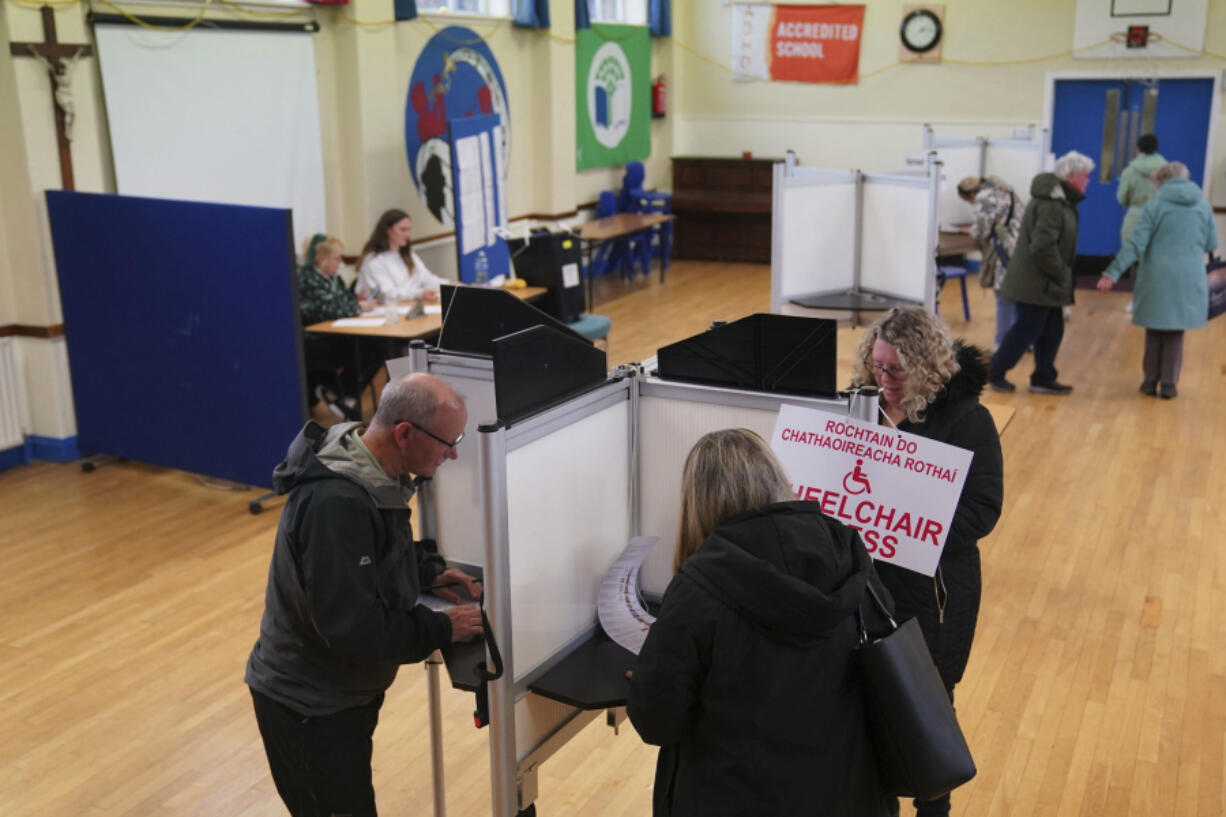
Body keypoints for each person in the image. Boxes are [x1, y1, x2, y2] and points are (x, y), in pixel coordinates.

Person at [246, 372, 484, 817]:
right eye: (447, 442)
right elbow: (352, 628)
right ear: (405, 433)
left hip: (339, 696)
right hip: (307, 707)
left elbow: (373, 554)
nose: (453, 453)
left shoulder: (373, 469)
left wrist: (427, 571)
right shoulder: (335, 504)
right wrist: (439, 628)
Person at [627, 428, 894, 817]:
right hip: (849, 795)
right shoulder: (850, 554)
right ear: (776, 478)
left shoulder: (698, 589)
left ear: (698, 503)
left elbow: (657, 724)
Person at [851, 306, 1003, 817]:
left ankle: (933, 808)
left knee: (928, 708)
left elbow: (982, 510)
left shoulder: (967, 420)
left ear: (927, 366)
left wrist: (913, 536)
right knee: (865, 703)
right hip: (866, 586)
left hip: (936, 593)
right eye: (877, 367)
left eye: (897, 370)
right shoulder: (859, 409)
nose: (884, 380)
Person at [1096, 161, 1219, 399]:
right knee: (1175, 332)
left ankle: (1149, 381)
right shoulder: (1203, 205)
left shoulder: (1154, 205)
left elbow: (1135, 243)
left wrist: (1112, 272)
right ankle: (1169, 385)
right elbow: (1211, 243)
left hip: (1157, 276)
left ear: (1160, 181)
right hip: (1188, 276)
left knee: (1155, 329)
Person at [989, 150, 1095, 395]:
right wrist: (1062, 274)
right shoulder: (1051, 204)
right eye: (1085, 176)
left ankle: (1043, 377)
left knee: (1051, 330)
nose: (1087, 181)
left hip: (1044, 282)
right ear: (1070, 176)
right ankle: (995, 371)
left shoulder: (1059, 201)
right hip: (1037, 282)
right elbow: (1042, 247)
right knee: (1027, 329)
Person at [297, 235, 377, 420]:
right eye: (336, 258)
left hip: (335, 334)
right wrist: (357, 307)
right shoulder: (306, 279)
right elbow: (321, 310)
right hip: (313, 341)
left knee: (375, 345)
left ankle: (344, 396)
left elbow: (345, 300)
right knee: (366, 348)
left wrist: (356, 302)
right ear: (321, 259)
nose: (340, 262)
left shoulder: (334, 279)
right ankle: (338, 395)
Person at [957, 175, 1023, 349]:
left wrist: (970, 230)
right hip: (1021, 246)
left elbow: (980, 231)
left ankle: (1002, 342)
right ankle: (1024, 340)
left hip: (1004, 250)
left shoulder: (982, 198)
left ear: (970, 196)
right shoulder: (1005, 189)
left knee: (1003, 296)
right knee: (1018, 295)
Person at [356, 208, 442, 304]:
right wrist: (420, 293)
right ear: (387, 230)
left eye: (408, 230)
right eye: (402, 230)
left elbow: (427, 279)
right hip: (387, 310)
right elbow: (387, 293)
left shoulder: (409, 255)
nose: (407, 235)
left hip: (411, 306)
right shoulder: (373, 261)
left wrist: (449, 286)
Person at [1116, 133, 1166, 247]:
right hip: (1160, 219)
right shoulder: (1167, 170)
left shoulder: (1130, 171)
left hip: (1134, 220)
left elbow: (1122, 198)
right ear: (1156, 149)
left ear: (1138, 149)